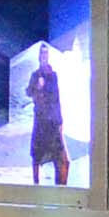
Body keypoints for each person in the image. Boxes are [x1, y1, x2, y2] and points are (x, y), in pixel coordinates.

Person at [23, 43, 72, 186]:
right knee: (38, 155)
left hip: (53, 121)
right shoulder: (35, 75)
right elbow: (29, 92)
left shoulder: (53, 75)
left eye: (46, 53)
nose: (44, 56)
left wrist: (60, 120)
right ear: (39, 56)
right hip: (41, 121)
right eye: (42, 53)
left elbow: (56, 98)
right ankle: (36, 185)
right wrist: (37, 87)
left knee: (61, 158)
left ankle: (61, 188)